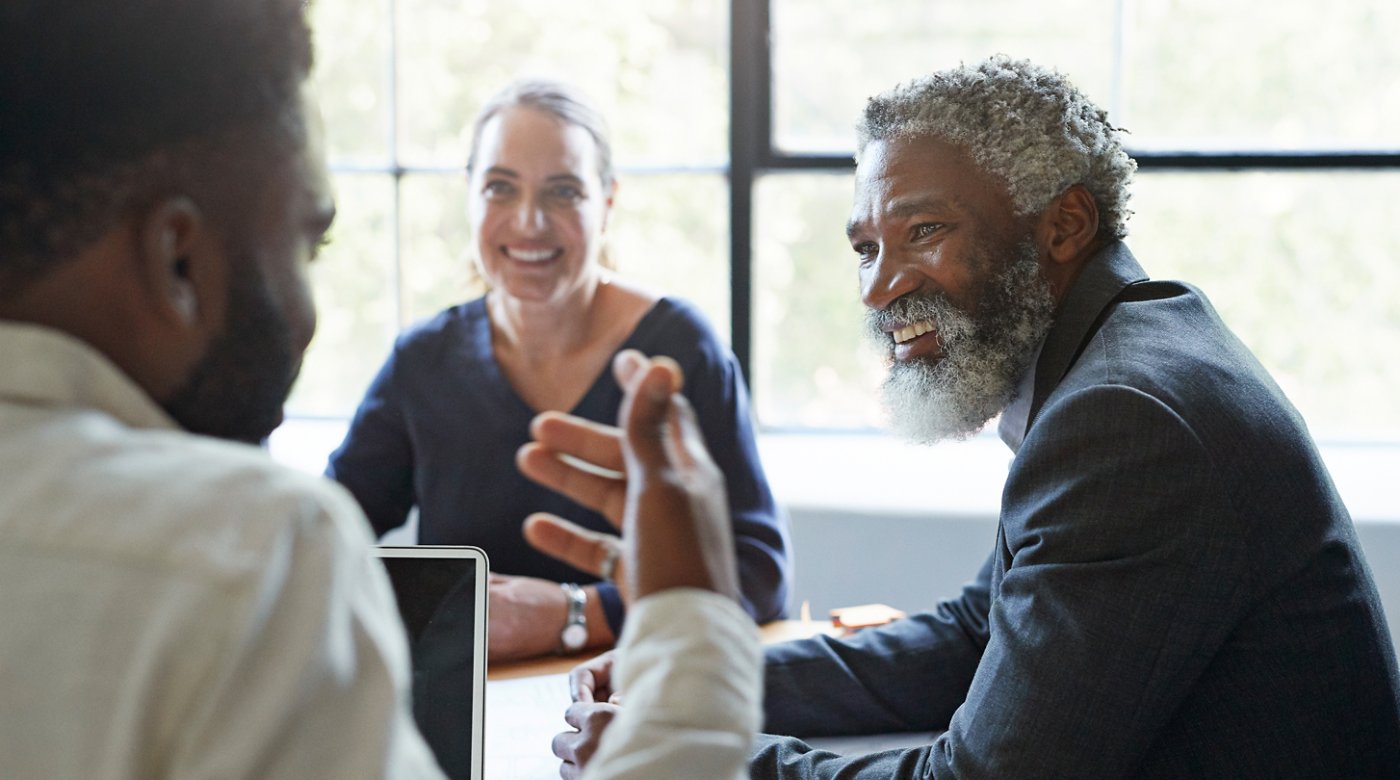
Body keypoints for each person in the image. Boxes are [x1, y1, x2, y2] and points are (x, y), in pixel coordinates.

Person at [531, 56, 1400, 778]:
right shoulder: (1124, 352)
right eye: (866, 248)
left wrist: (696, 756)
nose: (879, 287)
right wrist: (694, 677)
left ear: (1064, 224)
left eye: (924, 232)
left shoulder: (1126, 419)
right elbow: (970, 639)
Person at [0, 1, 443, 776]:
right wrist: (688, 632)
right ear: (180, 263)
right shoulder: (256, 557)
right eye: (309, 242)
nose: (310, 311)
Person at [326, 79, 791, 661]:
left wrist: (575, 615)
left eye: (563, 192)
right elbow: (324, 541)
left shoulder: (678, 351)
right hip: (474, 713)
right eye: (500, 187)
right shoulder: (423, 362)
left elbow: (760, 576)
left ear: (608, 202)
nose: (529, 223)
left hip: (626, 701)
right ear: (469, 195)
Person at [520, 349, 762, 780]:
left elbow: (760, 573)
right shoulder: (421, 355)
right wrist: (673, 668)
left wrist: (664, 736)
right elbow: (921, 652)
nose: (873, 293)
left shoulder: (693, 348)